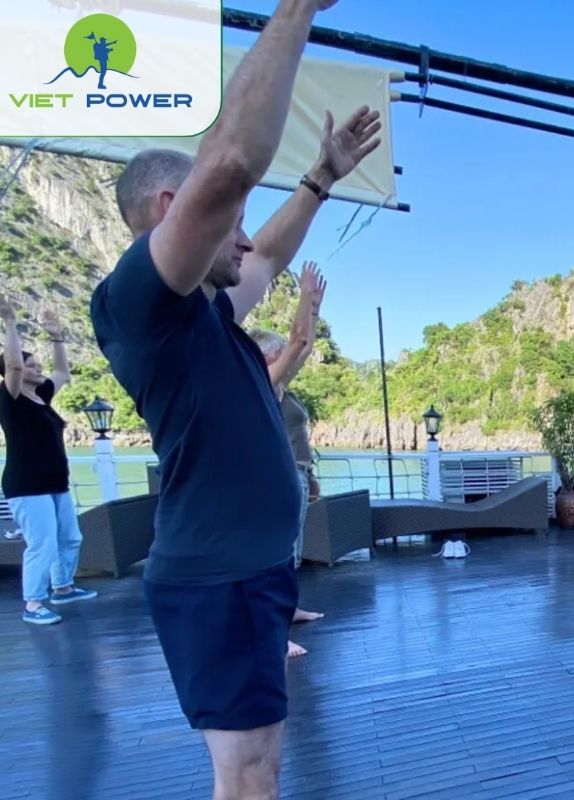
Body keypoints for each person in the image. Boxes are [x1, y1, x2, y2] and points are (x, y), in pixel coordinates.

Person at [89, 1, 381, 796]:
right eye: (233, 222)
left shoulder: (205, 310)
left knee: (255, 766)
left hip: (244, 571)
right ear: (170, 213)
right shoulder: (140, 304)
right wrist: (299, 9)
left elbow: (271, 255)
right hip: (218, 576)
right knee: (249, 770)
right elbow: (229, 163)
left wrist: (321, 178)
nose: (248, 239)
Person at [249, 261, 328, 659]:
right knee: (276, 556)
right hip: (273, 479)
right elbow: (302, 343)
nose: (288, 356)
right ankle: (272, 634)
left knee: (289, 552)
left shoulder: (278, 388)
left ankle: (288, 611)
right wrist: (306, 306)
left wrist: (309, 474)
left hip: (293, 473)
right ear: (266, 356)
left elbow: (301, 345)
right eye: (278, 351)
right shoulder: (264, 383)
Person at [0, 298, 96, 625]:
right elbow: (12, 366)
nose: (37, 369)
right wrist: (10, 323)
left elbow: (62, 373)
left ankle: (63, 587)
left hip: (55, 483)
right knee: (42, 545)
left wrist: (56, 336)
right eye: (31, 365)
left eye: (37, 365)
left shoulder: (41, 396)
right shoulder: (10, 399)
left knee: (70, 538)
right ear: (13, 372)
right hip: (27, 486)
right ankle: (33, 603)